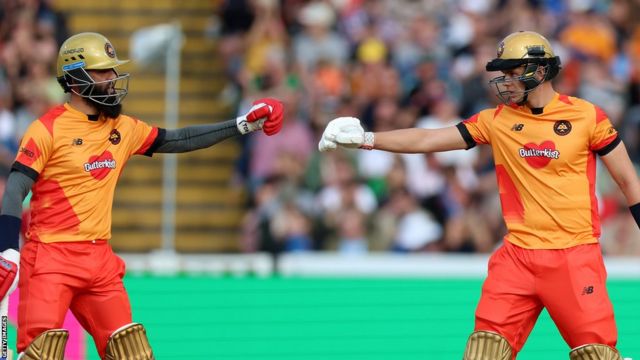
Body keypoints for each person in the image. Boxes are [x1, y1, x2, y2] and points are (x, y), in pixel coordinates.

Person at [319, 30, 640, 360]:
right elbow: (428, 140)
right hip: (517, 258)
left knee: (596, 355)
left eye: (515, 73)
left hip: (573, 257)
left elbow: (630, 182)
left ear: (540, 71)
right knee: (483, 352)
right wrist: (366, 137)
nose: (507, 82)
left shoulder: (587, 116)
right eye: (505, 74)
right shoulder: (496, 121)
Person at [0, 32, 284, 359]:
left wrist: (243, 125)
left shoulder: (123, 127)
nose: (112, 79)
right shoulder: (46, 129)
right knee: (41, 354)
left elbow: (179, 139)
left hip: (99, 261)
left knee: (130, 353)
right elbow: (16, 188)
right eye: (102, 72)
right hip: (50, 258)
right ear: (76, 78)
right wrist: (8, 249)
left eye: (112, 70)